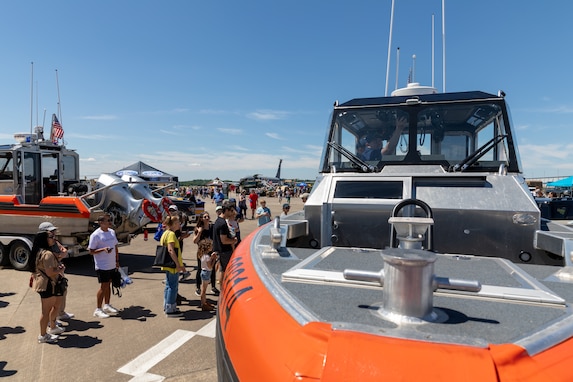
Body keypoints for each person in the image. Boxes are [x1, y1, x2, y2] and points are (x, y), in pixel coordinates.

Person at [31, 229, 66, 343]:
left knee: (54, 306)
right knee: (45, 311)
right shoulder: (47, 254)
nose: (54, 239)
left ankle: (52, 327)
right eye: (51, 237)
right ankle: (43, 335)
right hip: (48, 284)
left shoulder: (40, 251)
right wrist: (60, 269)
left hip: (47, 284)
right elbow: (50, 272)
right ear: (44, 239)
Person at [38, 222, 75, 323]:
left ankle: (60, 313)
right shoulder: (42, 245)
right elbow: (55, 255)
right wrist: (59, 255)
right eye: (51, 231)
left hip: (57, 270)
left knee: (62, 291)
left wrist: (60, 255)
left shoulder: (54, 241)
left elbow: (63, 251)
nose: (53, 233)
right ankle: (51, 321)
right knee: (51, 299)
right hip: (48, 275)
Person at [88, 214, 120, 319]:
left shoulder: (111, 232)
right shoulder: (96, 235)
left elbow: (115, 247)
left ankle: (107, 305)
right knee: (103, 286)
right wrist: (103, 249)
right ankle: (98, 309)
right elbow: (91, 251)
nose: (110, 222)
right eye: (108, 220)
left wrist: (117, 260)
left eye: (110, 220)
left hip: (111, 264)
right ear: (101, 223)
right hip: (102, 265)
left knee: (109, 284)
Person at [160, 215, 188, 317]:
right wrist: (178, 264)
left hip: (167, 263)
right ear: (173, 224)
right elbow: (171, 250)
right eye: (178, 223)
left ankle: (167, 305)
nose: (179, 225)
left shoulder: (165, 233)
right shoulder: (171, 234)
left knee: (168, 285)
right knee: (173, 286)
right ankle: (171, 308)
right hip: (172, 264)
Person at [193, 211, 218, 296]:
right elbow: (195, 241)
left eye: (208, 216)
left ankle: (213, 287)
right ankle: (198, 288)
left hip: (211, 250)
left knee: (212, 268)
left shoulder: (212, 227)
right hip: (202, 252)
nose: (207, 218)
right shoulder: (199, 228)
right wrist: (199, 232)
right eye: (205, 217)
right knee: (200, 268)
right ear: (201, 219)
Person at [213, 201, 238, 279]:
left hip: (221, 251)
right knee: (226, 272)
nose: (232, 213)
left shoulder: (218, 221)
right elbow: (224, 240)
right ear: (226, 210)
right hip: (225, 252)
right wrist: (234, 241)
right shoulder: (222, 223)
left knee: (222, 271)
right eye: (231, 211)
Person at [198, 240, 217, 311]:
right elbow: (210, 267)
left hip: (204, 272)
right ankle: (203, 304)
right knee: (204, 290)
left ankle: (204, 302)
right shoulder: (207, 257)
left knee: (203, 289)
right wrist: (214, 260)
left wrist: (211, 258)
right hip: (206, 272)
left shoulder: (203, 255)